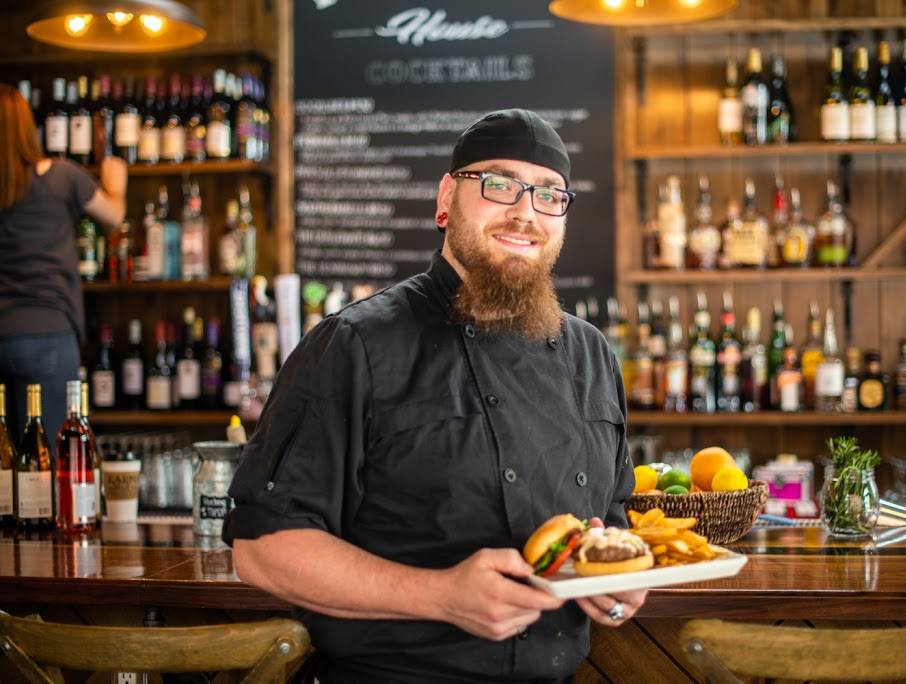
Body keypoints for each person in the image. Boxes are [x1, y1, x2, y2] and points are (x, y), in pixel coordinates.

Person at [224, 109, 645, 683]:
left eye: (549, 194)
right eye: (499, 185)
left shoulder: (590, 354)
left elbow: (614, 520)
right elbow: (263, 549)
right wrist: (440, 594)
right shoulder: (354, 345)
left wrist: (616, 581)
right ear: (446, 199)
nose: (526, 213)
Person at [0, 84, 126, 452]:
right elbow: (114, 216)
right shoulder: (62, 175)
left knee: (6, 457)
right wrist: (116, 183)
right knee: (54, 454)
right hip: (49, 332)